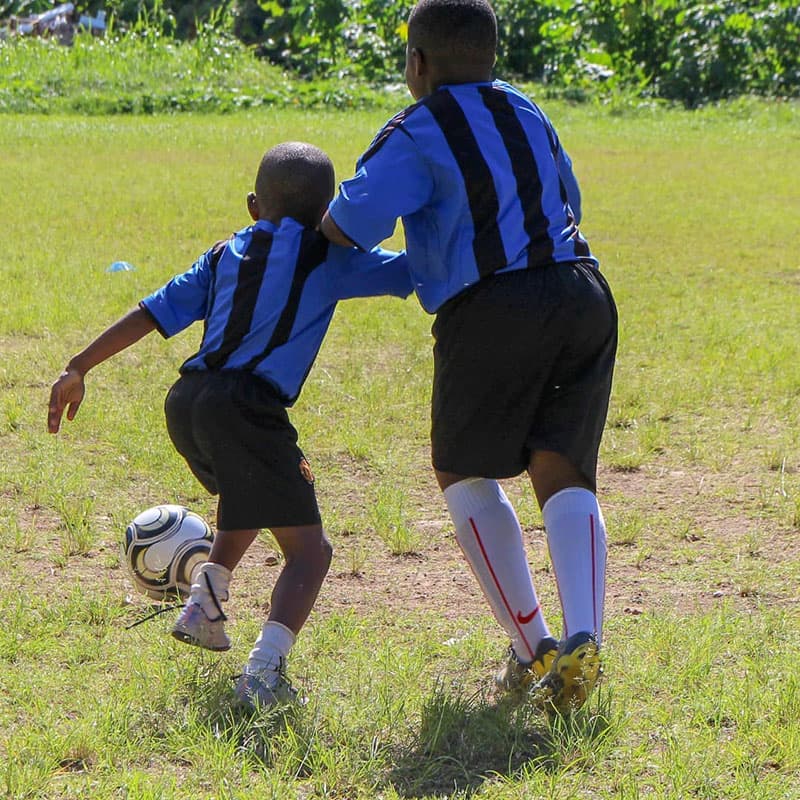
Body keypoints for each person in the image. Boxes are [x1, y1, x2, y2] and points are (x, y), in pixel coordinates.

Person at [320, 0, 617, 713]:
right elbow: (569, 202)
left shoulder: (416, 130)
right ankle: (584, 638)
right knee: (562, 466)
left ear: (417, 63)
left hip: (493, 308)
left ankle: (533, 647)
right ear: (491, 55)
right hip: (583, 292)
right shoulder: (527, 110)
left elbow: (347, 225)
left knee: (462, 468)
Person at [48, 142, 412, 711]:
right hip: (248, 409)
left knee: (249, 496)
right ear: (326, 214)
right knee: (310, 552)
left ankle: (205, 605)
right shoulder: (329, 256)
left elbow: (150, 312)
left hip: (187, 403)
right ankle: (264, 676)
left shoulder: (223, 255)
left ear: (252, 206)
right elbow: (411, 272)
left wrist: (78, 366)